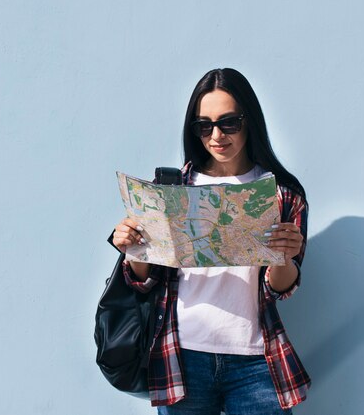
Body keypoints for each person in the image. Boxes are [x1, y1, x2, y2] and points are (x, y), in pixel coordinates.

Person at [111, 68, 310, 415]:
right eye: (204, 125)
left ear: (250, 122)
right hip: (182, 357)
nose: (216, 135)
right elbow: (146, 280)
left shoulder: (281, 195)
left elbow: (282, 289)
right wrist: (133, 250)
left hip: (256, 362)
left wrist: (284, 257)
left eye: (228, 122)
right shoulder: (173, 190)